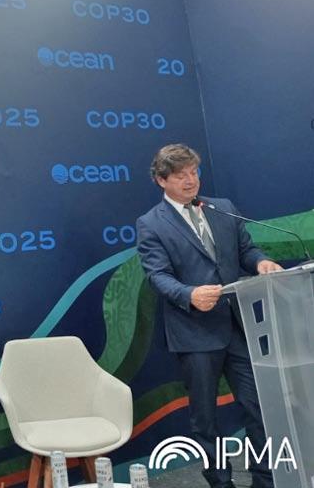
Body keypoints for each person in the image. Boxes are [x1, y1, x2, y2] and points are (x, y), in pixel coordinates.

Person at [136, 144, 282, 488]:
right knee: (205, 419)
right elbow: (157, 276)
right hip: (194, 333)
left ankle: (265, 479)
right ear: (161, 180)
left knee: (258, 406)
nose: (191, 180)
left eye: (194, 172)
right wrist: (189, 295)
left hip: (236, 326)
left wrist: (261, 262)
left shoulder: (222, 208)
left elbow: (246, 250)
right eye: (180, 175)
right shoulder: (151, 224)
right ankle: (220, 482)